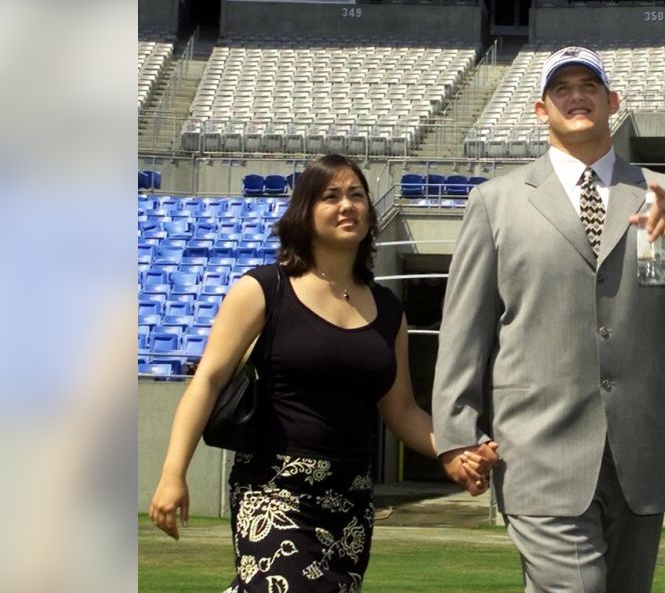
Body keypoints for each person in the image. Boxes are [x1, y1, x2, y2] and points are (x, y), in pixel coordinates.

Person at [433, 46, 665, 592]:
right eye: (562, 88)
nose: (577, 96)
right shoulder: (497, 202)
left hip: (641, 455)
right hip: (538, 450)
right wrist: (456, 433)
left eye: (589, 85)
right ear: (542, 109)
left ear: (612, 102)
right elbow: (464, 327)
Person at [149, 153, 498, 592]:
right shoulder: (263, 289)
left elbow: (403, 410)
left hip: (350, 497)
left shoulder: (390, 312)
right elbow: (209, 380)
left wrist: (456, 449)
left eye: (356, 195)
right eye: (330, 196)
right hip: (274, 487)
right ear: (305, 212)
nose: (346, 205)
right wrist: (172, 473)